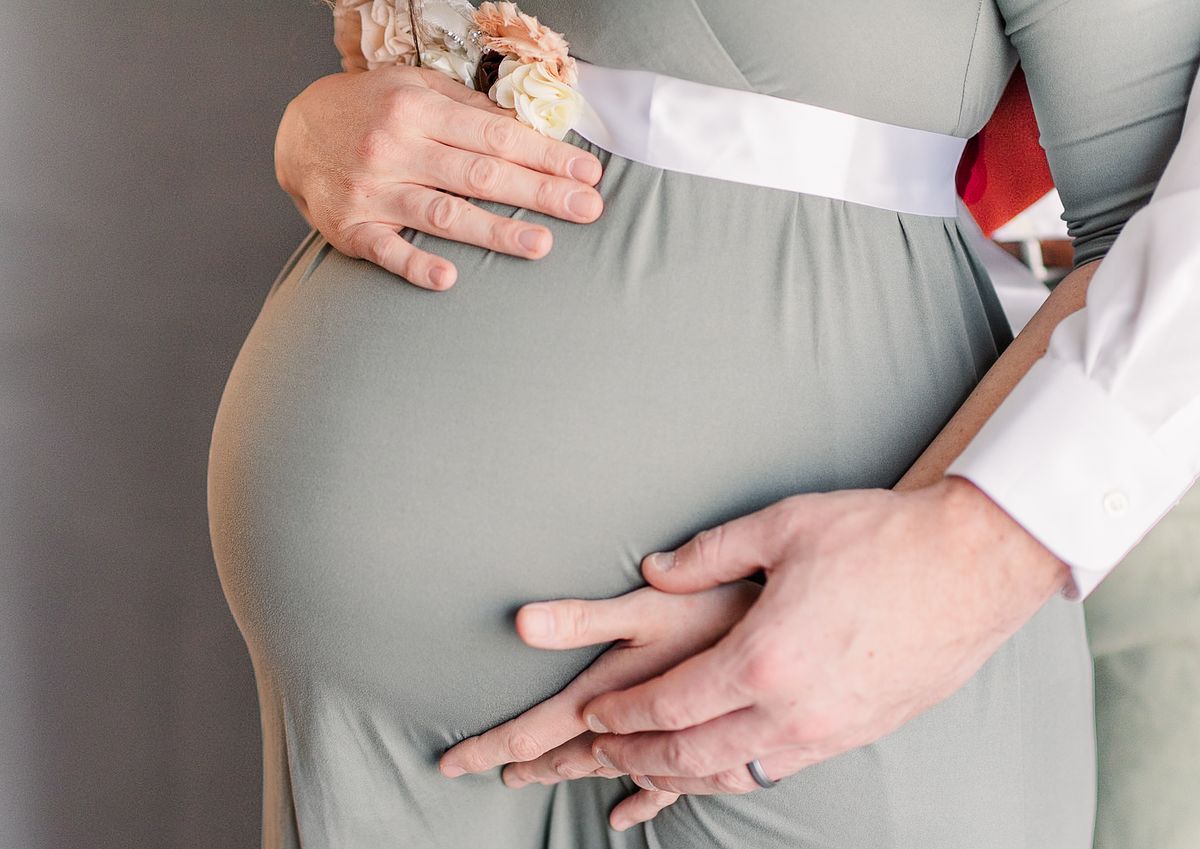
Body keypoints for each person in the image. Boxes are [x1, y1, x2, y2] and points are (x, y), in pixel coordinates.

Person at [206, 2, 1200, 848]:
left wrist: (964, 562)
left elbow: (1153, 211)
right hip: (369, 653)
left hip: (864, 612)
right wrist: (326, 128)